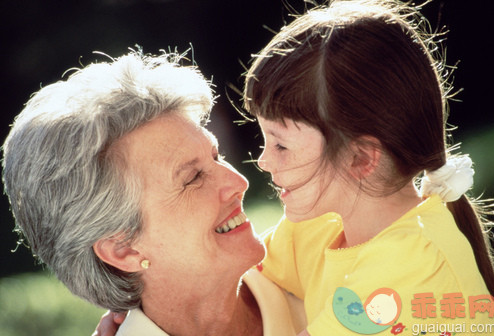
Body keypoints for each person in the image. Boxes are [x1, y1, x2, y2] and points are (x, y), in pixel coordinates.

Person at [2, 51, 306, 335]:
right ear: (124, 250)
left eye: (216, 157)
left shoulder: (331, 268)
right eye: (193, 178)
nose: (239, 182)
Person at [243, 0, 494, 334]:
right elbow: (230, 275)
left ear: (361, 158)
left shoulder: (411, 265)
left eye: (281, 145)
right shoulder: (319, 227)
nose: (263, 161)